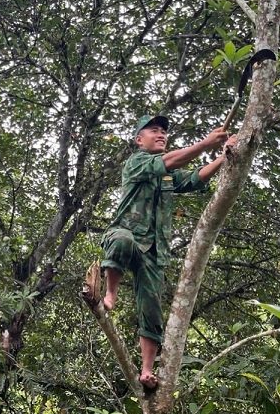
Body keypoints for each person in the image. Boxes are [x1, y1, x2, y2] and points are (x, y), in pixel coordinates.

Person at [101, 115, 236, 389]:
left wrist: (223, 157)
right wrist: (204, 143)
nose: (161, 134)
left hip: (155, 249)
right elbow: (170, 161)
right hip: (128, 234)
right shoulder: (137, 162)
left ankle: (147, 370)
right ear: (140, 139)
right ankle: (110, 293)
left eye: (164, 131)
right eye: (154, 131)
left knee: (151, 307)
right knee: (121, 241)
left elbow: (192, 179)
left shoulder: (165, 173)